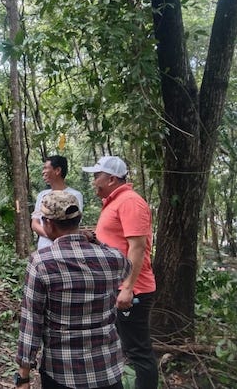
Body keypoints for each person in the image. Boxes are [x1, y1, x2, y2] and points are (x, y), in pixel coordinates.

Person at [15, 191, 131, 389]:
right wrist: (93, 240)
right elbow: (126, 267)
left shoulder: (41, 262)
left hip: (62, 372)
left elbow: (32, 322)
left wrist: (23, 376)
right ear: (78, 221)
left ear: (48, 223)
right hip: (107, 369)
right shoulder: (113, 259)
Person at [82, 156, 159, 389]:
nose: (94, 181)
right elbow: (118, 242)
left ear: (111, 178)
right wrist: (94, 238)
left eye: (97, 176)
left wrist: (127, 288)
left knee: (139, 352)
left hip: (131, 291)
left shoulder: (130, 202)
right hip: (116, 289)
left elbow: (137, 247)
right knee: (119, 347)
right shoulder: (114, 202)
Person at [31, 155, 83, 250]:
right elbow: (35, 223)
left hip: (67, 249)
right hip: (44, 248)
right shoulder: (42, 195)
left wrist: (55, 236)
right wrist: (52, 235)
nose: (43, 172)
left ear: (57, 170)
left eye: (46, 168)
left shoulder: (74, 195)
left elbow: (74, 224)